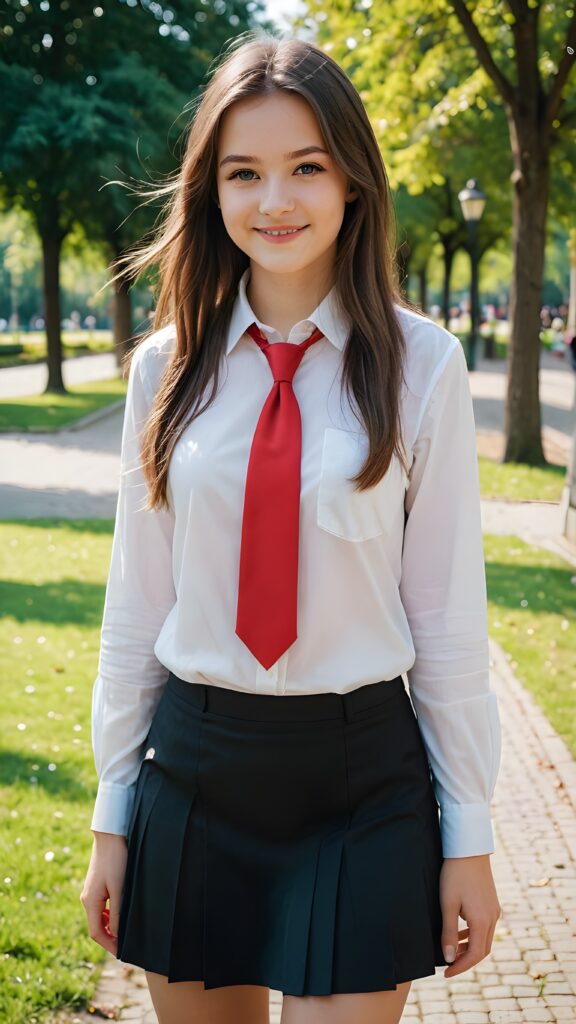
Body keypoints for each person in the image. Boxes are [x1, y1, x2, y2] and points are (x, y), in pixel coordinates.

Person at [80, 32, 502, 1024]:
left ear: (353, 180)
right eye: (245, 172)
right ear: (210, 192)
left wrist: (469, 834)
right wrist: (112, 813)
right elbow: (137, 608)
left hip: (361, 782)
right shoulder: (166, 370)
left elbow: (446, 624)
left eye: (306, 167)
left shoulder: (424, 367)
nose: (276, 200)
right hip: (193, 772)